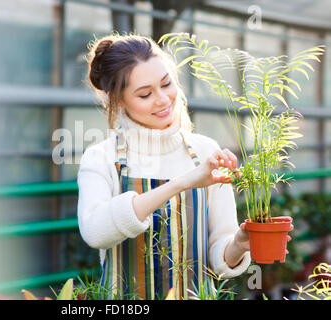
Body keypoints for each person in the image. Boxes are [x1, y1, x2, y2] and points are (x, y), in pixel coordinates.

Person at [77, 33, 251, 300]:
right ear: (119, 100)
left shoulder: (205, 151)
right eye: (145, 94)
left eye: (166, 84)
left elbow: (219, 258)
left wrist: (238, 244)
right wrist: (182, 183)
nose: (162, 99)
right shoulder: (101, 157)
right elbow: (95, 232)